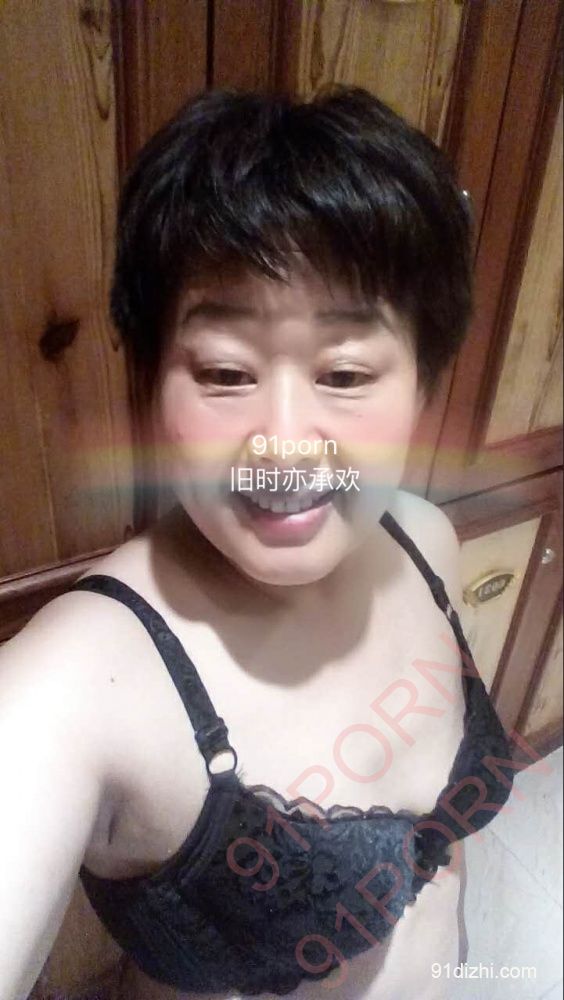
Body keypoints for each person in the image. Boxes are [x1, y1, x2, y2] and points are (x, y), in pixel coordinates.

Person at [1, 85, 514, 1000]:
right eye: (225, 372)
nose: (283, 442)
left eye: (345, 373)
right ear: (152, 378)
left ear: (424, 381)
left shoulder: (425, 538)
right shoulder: (74, 681)